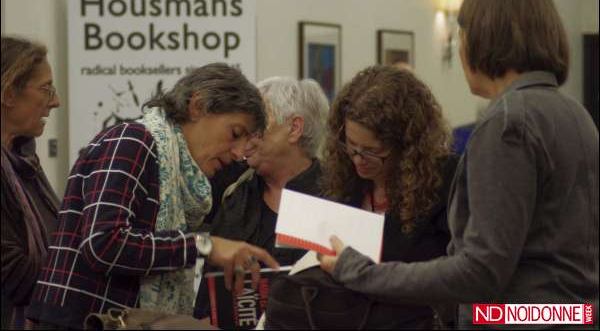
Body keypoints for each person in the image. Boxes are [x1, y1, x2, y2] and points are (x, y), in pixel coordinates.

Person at [319, 0, 599, 327]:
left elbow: (480, 271)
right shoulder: (575, 113)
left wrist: (358, 272)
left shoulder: (506, 123)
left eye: (461, 35)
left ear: (482, 40)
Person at [26, 63, 279, 329]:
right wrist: (205, 246)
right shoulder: (133, 140)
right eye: (235, 133)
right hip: (81, 321)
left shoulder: (180, 177)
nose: (239, 153)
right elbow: (103, 244)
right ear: (198, 106)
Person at [320, 65, 457, 328]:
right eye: (351, 145)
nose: (359, 160)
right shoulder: (346, 181)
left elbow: (456, 276)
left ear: (407, 146)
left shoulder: (446, 182)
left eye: (372, 151)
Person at [194, 76, 329, 319]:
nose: (246, 138)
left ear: (295, 128)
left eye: (257, 126)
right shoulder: (235, 194)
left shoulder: (336, 197)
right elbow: (209, 299)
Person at [1, 36, 62, 330]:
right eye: (46, 89)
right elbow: (10, 272)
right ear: (9, 94)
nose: (55, 101)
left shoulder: (24, 165)